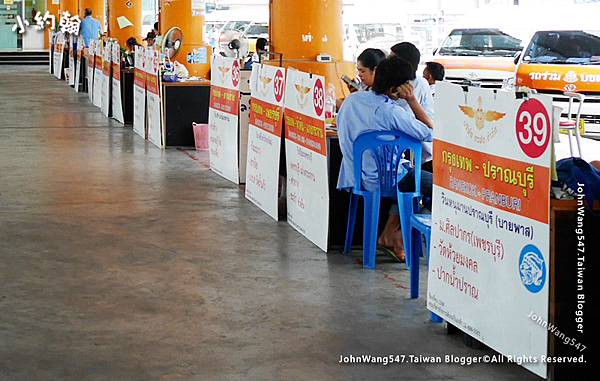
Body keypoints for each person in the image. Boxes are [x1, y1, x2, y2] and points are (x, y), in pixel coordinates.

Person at [337, 56, 434, 261]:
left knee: (408, 178)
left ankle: (390, 234)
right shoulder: (390, 111)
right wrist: (412, 101)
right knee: (435, 185)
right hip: (385, 179)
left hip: (354, 176)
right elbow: (430, 132)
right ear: (394, 90)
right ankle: (398, 235)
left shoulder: (351, 101)